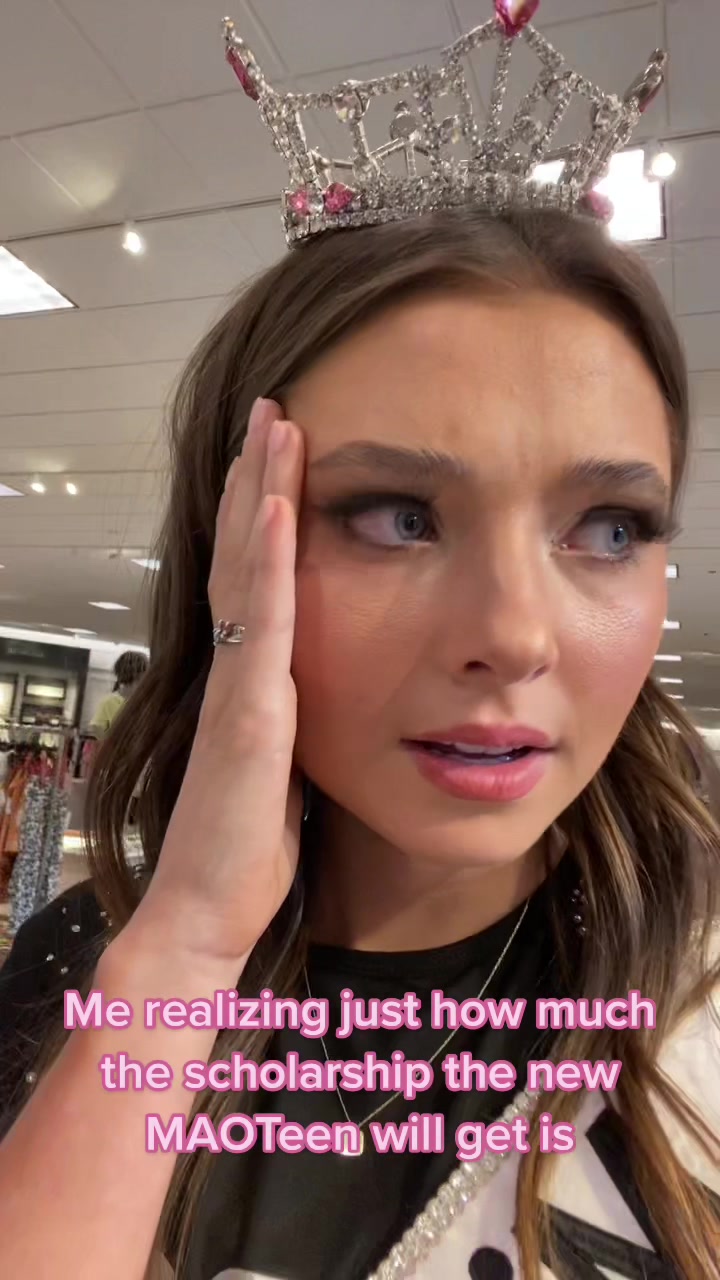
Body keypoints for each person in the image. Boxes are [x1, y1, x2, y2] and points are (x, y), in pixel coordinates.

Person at [0, 6, 718, 1280]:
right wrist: (190, 941)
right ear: (232, 544)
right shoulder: (86, 964)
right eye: (398, 516)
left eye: (609, 527)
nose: (514, 636)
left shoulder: (697, 991)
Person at [89, 650, 149, 739]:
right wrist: (111, 743)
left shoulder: (146, 700)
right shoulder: (110, 701)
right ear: (137, 674)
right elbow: (96, 726)